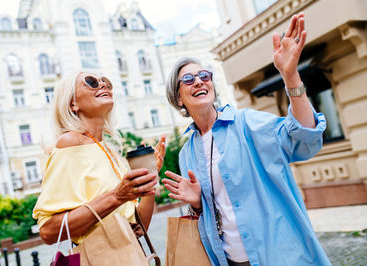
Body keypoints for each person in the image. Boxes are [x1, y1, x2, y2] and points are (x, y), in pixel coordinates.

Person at [162, 13, 331, 266]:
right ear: (178, 99)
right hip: (228, 259)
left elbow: (303, 139)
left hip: (278, 255)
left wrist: (290, 76)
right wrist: (197, 204)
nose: (198, 80)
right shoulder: (188, 152)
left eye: (204, 75)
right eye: (188, 79)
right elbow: (210, 212)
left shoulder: (247, 123)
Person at [33, 71, 166, 246]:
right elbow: (48, 231)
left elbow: (139, 229)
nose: (103, 84)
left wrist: (151, 177)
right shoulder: (70, 143)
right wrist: (117, 196)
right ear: (73, 103)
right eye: (91, 82)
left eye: (106, 82)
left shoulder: (109, 151)